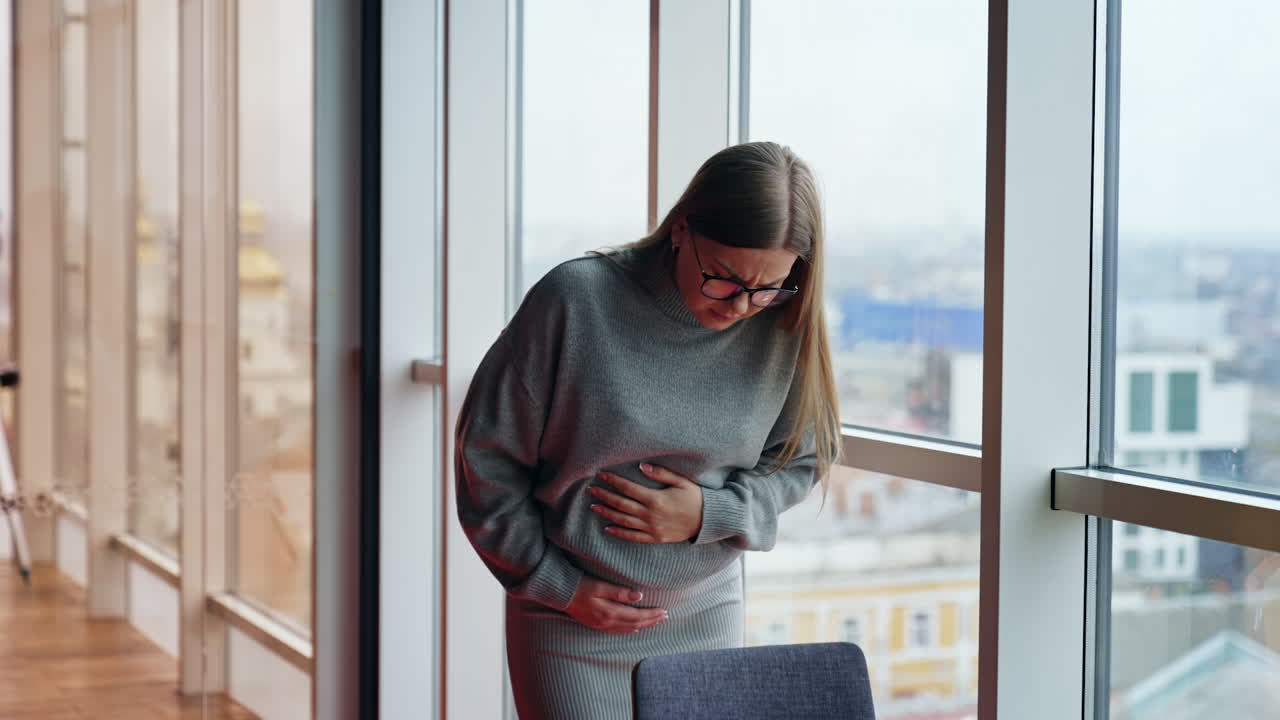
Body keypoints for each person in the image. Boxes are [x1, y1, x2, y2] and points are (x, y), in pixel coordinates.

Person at [455, 141, 841, 718]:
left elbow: (804, 459)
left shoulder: (784, 319)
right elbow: (485, 460)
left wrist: (712, 513)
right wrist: (557, 586)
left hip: (707, 611)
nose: (741, 306)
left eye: (767, 288)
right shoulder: (576, 299)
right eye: (725, 279)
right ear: (681, 230)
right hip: (570, 622)